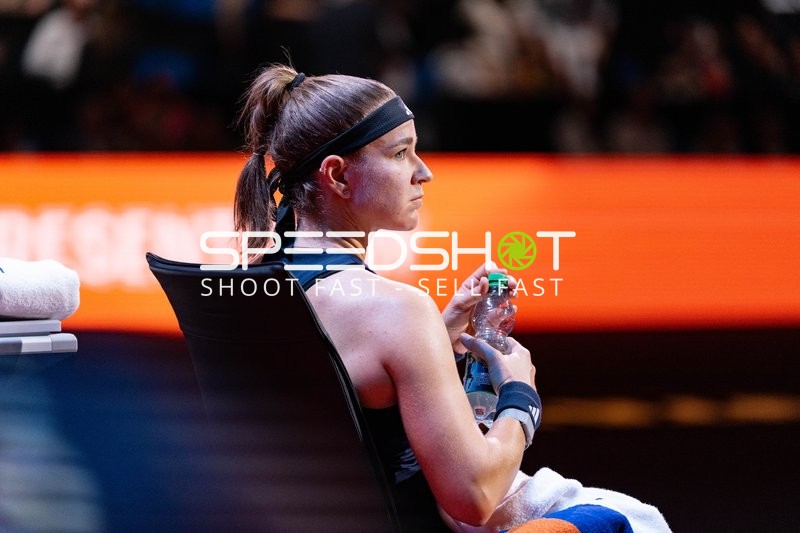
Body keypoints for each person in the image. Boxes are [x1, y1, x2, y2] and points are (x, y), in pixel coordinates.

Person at [232, 63, 670, 533]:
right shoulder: (394, 310)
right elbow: (473, 496)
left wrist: (434, 342)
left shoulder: (253, 287)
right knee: (632, 520)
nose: (425, 172)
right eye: (401, 153)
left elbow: (347, 397)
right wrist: (521, 399)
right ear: (337, 176)